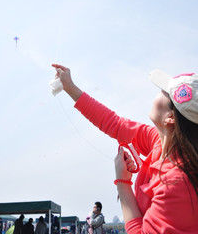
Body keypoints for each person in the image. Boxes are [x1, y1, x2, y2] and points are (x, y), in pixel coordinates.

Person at [52, 64, 198, 234]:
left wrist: (122, 182)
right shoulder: (159, 142)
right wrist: (70, 87)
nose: (158, 92)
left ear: (170, 118)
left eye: (164, 92)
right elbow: (114, 123)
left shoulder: (177, 181)